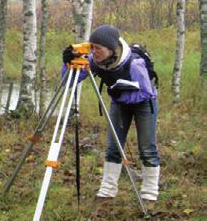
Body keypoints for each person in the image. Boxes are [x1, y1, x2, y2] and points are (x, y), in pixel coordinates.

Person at [62, 24, 160, 203]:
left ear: (111, 49)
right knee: (113, 147)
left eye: (98, 48)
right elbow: (67, 83)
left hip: (145, 104)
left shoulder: (134, 63)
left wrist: (120, 92)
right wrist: (68, 63)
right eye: (92, 47)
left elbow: (147, 92)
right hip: (119, 102)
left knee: (147, 148)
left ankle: (150, 193)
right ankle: (107, 190)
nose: (94, 52)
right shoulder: (94, 61)